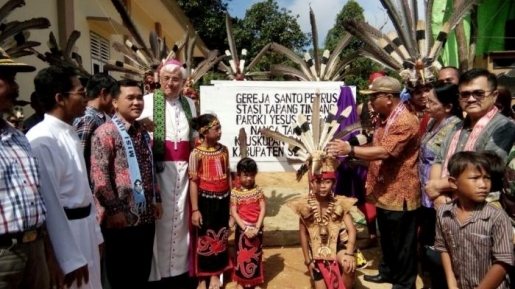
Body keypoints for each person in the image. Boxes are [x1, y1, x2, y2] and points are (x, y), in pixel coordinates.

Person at [327, 76, 421, 288]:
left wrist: (349, 149)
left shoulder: (406, 121)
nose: (370, 102)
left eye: (374, 97)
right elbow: (373, 146)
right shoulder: (383, 118)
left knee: (403, 243)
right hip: (383, 189)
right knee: (387, 237)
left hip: (401, 192)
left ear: (389, 98)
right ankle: (387, 271)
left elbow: (385, 152)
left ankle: (405, 283)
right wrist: (353, 157)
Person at [26, 66, 103, 289]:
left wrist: (96, 235)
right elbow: (49, 204)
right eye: (80, 92)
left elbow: (84, 191)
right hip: (68, 238)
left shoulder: (69, 133)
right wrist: (66, 258)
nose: (86, 98)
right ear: (60, 98)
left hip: (85, 229)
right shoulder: (42, 140)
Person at [90, 79, 163, 288]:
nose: (137, 102)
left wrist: (156, 198)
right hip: (121, 219)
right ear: (114, 102)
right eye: (130, 98)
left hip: (146, 216)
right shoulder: (105, 132)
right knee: (121, 277)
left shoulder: (142, 132)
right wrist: (114, 210)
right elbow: (99, 175)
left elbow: (150, 167)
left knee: (141, 273)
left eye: (139, 97)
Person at [139, 59, 197, 284]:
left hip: (183, 173)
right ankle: (159, 272)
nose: (171, 83)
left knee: (182, 220)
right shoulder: (146, 101)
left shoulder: (190, 104)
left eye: (176, 79)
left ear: (183, 82)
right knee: (160, 222)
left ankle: (180, 270)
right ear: (158, 79)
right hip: (158, 172)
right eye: (166, 78)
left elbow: (193, 138)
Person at [426, 68, 515, 206]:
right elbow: (439, 159)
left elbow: (485, 168)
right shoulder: (457, 126)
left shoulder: (503, 127)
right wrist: (438, 196)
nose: (471, 99)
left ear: (494, 95)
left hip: (481, 208)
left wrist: (437, 186)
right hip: (448, 204)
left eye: (478, 93)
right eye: (465, 94)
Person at [0, 48, 50, 289]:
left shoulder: (19, 137)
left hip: (34, 248)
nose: (15, 87)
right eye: (7, 80)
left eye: (14, 79)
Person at [435, 151, 514, 289]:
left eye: (487, 178)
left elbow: (503, 261)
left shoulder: (496, 216)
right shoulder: (444, 213)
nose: (483, 184)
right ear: (453, 183)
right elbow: (443, 248)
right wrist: (452, 283)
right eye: (475, 178)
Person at [287, 155, 359, 289]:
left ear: (334, 183)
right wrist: (308, 261)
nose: (323, 186)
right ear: (312, 183)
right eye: (319, 181)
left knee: (349, 267)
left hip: (336, 246)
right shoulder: (305, 205)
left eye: (327, 182)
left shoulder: (340, 202)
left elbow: (351, 230)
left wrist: (349, 254)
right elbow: (303, 234)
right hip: (315, 251)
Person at [418, 81, 463, 288]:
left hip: (441, 195)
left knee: (442, 247)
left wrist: (438, 191)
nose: (426, 104)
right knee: (429, 242)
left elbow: (447, 163)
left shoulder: (455, 128)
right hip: (427, 193)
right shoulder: (431, 122)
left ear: (448, 107)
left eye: (431, 102)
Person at [189, 113, 231, 289]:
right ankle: (202, 277)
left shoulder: (224, 150)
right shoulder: (196, 154)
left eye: (220, 127)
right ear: (205, 132)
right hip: (205, 201)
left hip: (223, 200)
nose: (220, 132)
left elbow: (228, 175)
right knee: (204, 237)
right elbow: (193, 182)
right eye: (217, 129)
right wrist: (195, 209)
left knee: (220, 235)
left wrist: (232, 202)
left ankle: (215, 274)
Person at [73, 73, 117, 183]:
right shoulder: (88, 120)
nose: (114, 101)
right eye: (113, 95)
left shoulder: (103, 117)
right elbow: (81, 159)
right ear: (104, 93)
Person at [230, 157, 266, 289]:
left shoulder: (258, 191)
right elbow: (234, 212)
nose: (249, 179)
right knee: (241, 256)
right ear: (238, 175)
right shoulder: (235, 193)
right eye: (245, 175)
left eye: (251, 175)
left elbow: (263, 208)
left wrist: (257, 227)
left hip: (257, 228)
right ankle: (241, 282)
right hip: (242, 229)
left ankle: (255, 282)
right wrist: (245, 229)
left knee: (256, 255)